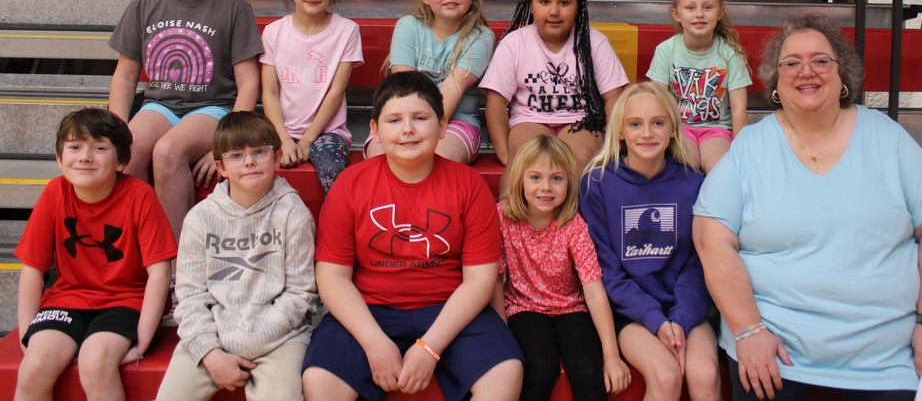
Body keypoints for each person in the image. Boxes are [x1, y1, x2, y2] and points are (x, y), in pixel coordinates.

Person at [693, 15, 922, 401]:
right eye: (792, 63)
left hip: (885, 359)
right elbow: (711, 239)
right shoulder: (750, 147)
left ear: (842, 76)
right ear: (777, 83)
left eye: (821, 60)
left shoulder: (886, 138)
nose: (807, 71)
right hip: (772, 354)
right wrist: (748, 330)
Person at [302, 71, 523, 401]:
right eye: (394, 120)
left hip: (449, 308)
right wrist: (374, 344)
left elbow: (479, 279)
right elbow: (332, 277)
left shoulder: (469, 185)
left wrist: (430, 348)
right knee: (320, 380)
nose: (407, 129)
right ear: (374, 131)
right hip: (370, 308)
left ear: (443, 125)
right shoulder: (350, 184)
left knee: (505, 372)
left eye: (420, 118)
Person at [108, 0, 264, 239]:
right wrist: (117, 129)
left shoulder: (234, 9)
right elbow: (125, 76)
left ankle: (180, 264)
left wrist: (226, 143)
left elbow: (249, 82)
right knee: (128, 149)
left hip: (211, 108)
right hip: (159, 105)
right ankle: (141, 252)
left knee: (167, 151)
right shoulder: (144, 4)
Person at [14, 108, 176, 401]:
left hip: (125, 301)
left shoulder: (140, 195)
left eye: (100, 148)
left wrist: (142, 341)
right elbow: (32, 268)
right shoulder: (54, 192)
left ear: (122, 161)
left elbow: (159, 272)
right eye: (74, 147)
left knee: (96, 363)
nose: (85, 157)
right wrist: (28, 336)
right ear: (59, 159)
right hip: (67, 299)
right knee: (34, 367)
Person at [156, 112, 318, 401]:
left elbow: (300, 294)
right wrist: (209, 351)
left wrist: (245, 342)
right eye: (236, 155)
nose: (249, 162)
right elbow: (189, 295)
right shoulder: (200, 218)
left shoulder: (293, 214)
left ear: (277, 157)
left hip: (281, 337)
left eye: (259, 152)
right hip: (213, 337)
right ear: (220, 166)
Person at [580, 82, 721, 401]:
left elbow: (698, 263)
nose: (647, 133)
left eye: (658, 122)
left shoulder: (694, 182)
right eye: (635, 124)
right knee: (665, 374)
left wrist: (681, 320)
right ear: (619, 131)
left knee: (705, 373)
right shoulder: (598, 184)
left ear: (673, 129)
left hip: (685, 306)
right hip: (630, 311)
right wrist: (656, 321)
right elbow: (607, 271)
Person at [491, 134, 631, 401]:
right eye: (535, 178)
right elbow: (496, 280)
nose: (546, 187)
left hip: (571, 307)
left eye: (556, 178)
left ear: (569, 182)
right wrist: (501, 332)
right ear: (520, 179)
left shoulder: (573, 225)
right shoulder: (503, 217)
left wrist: (612, 356)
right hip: (524, 307)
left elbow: (593, 289)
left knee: (588, 372)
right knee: (541, 370)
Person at [480, 0, 629, 195]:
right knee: (524, 158)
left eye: (564, 2)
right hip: (529, 120)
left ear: (578, 6)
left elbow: (613, 98)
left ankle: (575, 228)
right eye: (545, 1)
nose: (554, 11)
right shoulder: (515, 42)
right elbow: (496, 101)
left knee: (578, 157)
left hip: (581, 120)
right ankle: (509, 225)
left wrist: (613, 145)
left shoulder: (594, 42)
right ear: (531, 5)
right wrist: (504, 153)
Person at [365, 0, 494, 164]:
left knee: (435, 158)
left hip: (455, 122)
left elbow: (452, 93)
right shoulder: (408, 26)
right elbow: (403, 91)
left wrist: (420, 134)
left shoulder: (480, 37)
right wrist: (409, 128)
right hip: (402, 115)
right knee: (380, 157)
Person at [261, 0, 363, 193]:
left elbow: (335, 93)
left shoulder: (346, 31)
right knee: (247, 161)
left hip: (327, 132)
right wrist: (285, 139)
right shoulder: (274, 32)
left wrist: (307, 141)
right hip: (279, 130)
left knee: (334, 173)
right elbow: (270, 94)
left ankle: (335, 229)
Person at [647, 0, 751, 173]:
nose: (699, 14)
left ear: (720, 12)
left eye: (708, 7)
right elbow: (656, 102)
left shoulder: (730, 54)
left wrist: (741, 150)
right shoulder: (666, 51)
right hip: (679, 130)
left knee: (718, 169)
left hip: (717, 129)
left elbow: (739, 109)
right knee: (687, 166)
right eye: (690, 7)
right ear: (676, 13)